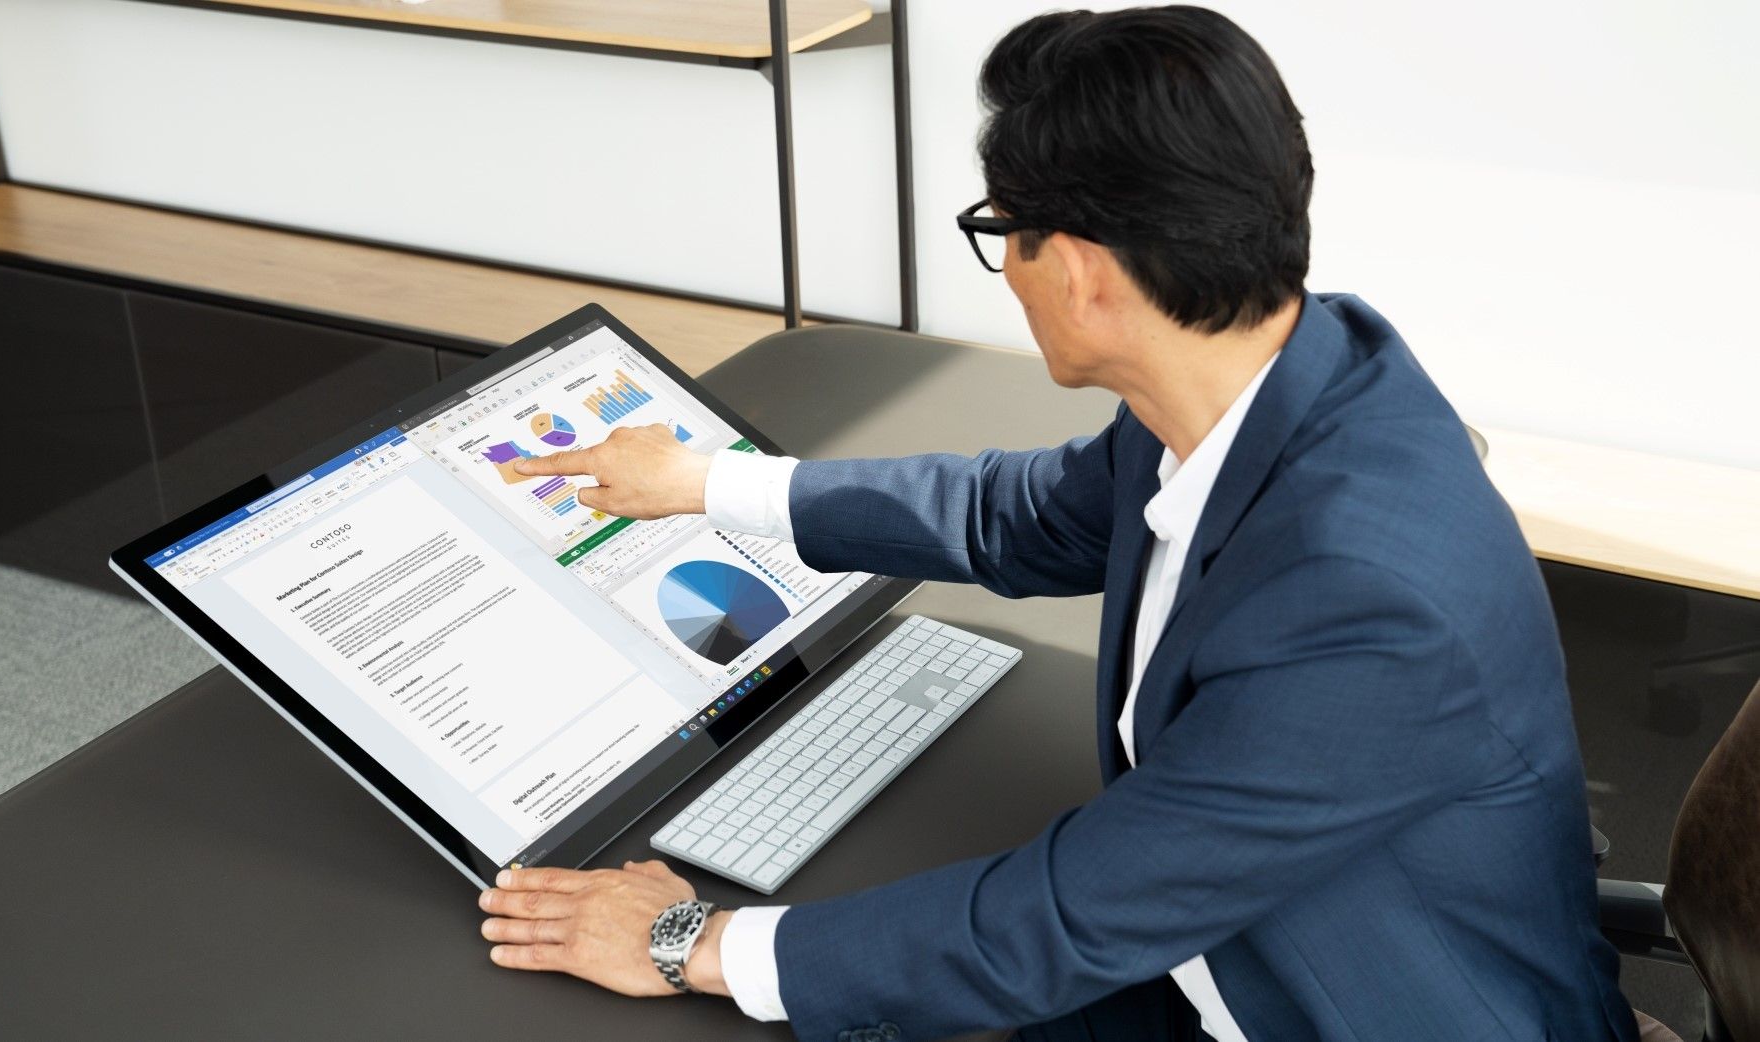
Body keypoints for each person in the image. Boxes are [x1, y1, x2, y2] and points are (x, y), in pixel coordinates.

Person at [472, 7, 1638, 1040]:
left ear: (1077, 270)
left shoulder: (1363, 596)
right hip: (1214, 949)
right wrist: (712, 483)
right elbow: (1019, 514)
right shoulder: (1276, 374)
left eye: (999, 231)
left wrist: (690, 942)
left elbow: (1063, 919)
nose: (1003, 269)